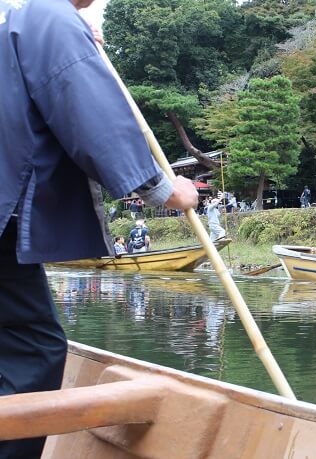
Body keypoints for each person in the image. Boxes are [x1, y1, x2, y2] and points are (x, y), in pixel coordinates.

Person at [0, 1, 199, 457]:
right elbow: (90, 115)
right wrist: (166, 191)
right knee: (34, 350)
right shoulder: (44, 14)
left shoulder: (18, 17)